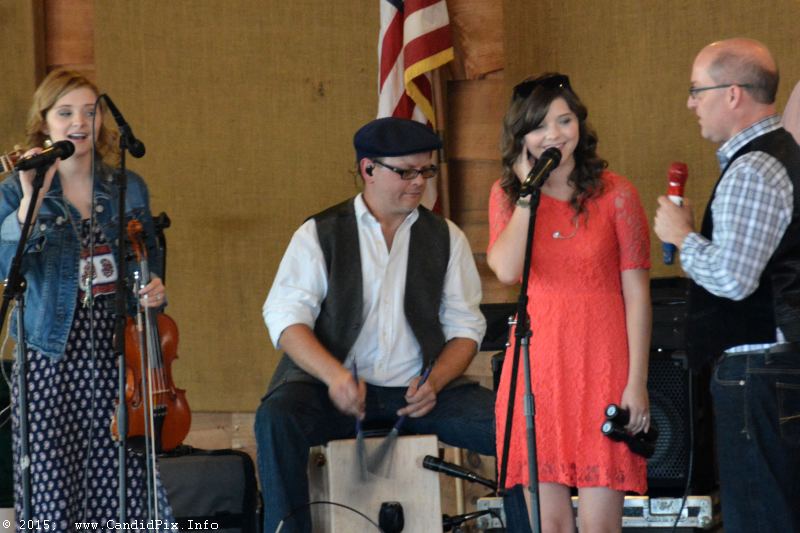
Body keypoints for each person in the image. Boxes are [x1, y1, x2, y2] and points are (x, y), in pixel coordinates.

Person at [256, 117, 495, 533]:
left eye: (426, 171)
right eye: (406, 172)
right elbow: (285, 318)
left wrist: (435, 381)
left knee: (512, 428)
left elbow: (465, 329)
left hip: (420, 393)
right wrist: (335, 377)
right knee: (277, 419)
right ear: (368, 169)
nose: (419, 182)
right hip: (332, 391)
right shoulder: (319, 233)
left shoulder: (446, 237)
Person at [0, 69, 174, 530]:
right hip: (50, 357)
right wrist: (31, 198)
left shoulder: (127, 186)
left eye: (90, 111)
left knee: (122, 480)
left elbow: (149, 262)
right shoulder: (15, 187)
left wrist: (154, 289)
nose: (79, 122)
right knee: (55, 484)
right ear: (44, 123)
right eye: (65, 112)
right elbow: (4, 265)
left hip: (119, 356)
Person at [487, 73, 651, 533]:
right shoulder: (507, 195)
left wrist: (636, 382)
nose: (554, 134)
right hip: (539, 369)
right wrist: (527, 194)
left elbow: (637, 294)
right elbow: (506, 270)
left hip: (603, 364)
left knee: (601, 526)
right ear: (521, 138)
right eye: (539, 126)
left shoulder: (617, 194)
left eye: (564, 120)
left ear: (580, 122)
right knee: (551, 525)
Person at [654, 38, 800, 532]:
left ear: (733, 94)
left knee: (759, 517)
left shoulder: (753, 168)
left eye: (697, 90)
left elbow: (734, 280)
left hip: (758, 372)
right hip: (773, 370)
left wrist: (683, 237)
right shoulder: (779, 157)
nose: (690, 103)